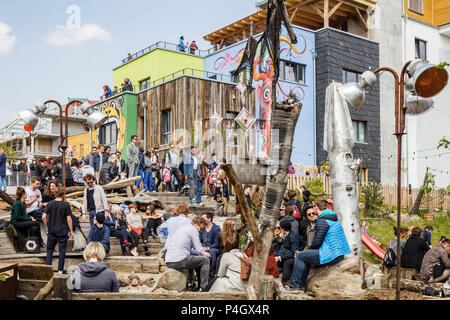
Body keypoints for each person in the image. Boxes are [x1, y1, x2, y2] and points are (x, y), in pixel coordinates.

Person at [288, 198, 351, 292]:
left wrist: (308, 251)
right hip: (339, 253)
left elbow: (317, 241)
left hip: (331, 254)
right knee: (305, 256)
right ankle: (300, 286)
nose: (312, 210)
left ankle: (294, 286)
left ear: (316, 207)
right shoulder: (332, 217)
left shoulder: (322, 221)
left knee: (300, 256)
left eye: (313, 206)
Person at [165, 216, 211, 291]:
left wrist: (202, 252)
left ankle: (190, 283)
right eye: (201, 228)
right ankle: (204, 287)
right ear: (196, 225)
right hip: (179, 260)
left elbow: (191, 250)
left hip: (169, 260)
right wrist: (205, 254)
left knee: (191, 258)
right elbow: (199, 249)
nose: (200, 231)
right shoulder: (193, 230)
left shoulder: (183, 228)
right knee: (205, 260)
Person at [43, 186, 74, 273]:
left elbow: (43, 217)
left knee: (49, 251)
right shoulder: (66, 204)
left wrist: (47, 227)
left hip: (52, 230)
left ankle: (48, 271)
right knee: (62, 251)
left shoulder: (49, 204)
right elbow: (69, 219)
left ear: (55, 194)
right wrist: (71, 231)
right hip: (62, 231)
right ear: (63, 194)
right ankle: (60, 270)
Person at [275, 220, 303, 287]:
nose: (279, 229)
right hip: (289, 254)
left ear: (283, 229)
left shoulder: (293, 237)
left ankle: (285, 281)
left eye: (280, 228)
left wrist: (280, 258)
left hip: (297, 256)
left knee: (287, 263)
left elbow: (293, 252)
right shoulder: (287, 235)